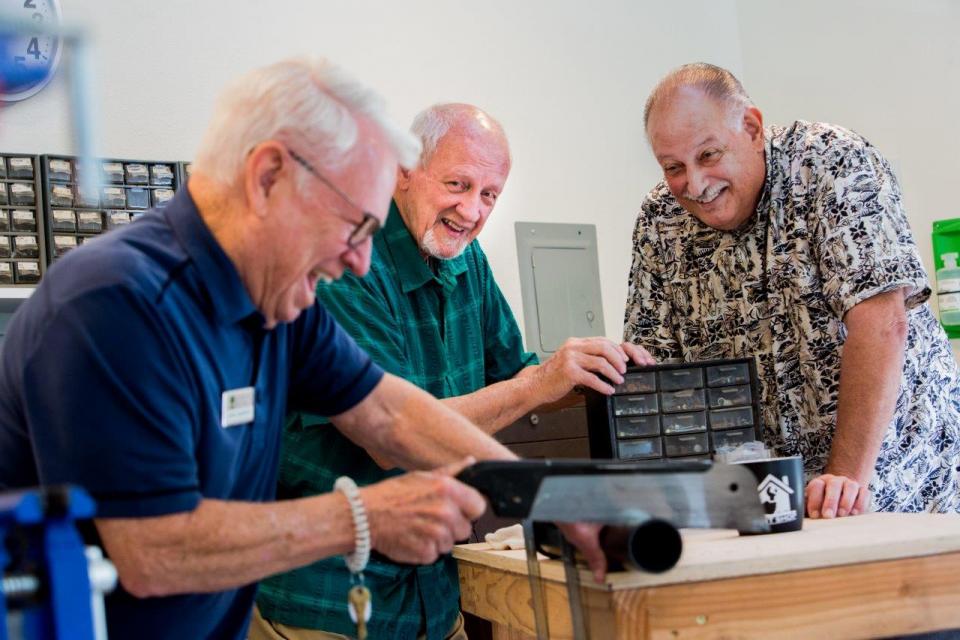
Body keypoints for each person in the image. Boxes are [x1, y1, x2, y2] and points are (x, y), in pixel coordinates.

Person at [0, 58, 594, 640]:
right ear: (267, 178)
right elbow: (152, 549)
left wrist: (546, 495)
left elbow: (389, 413)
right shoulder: (117, 305)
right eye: (354, 226)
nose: (360, 261)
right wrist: (361, 517)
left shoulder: (275, 299)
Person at [254, 103, 652, 640]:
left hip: (433, 593)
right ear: (402, 171)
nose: (471, 210)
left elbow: (517, 375)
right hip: (330, 599)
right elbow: (392, 436)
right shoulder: (344, 263)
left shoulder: (465, 257)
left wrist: (591, 371)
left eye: (489, 195)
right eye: (457, 184)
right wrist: (538, 388)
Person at [624, 62, 960, 522]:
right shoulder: (659, 220)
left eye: (708, 156)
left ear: (752, 128)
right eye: (673, 167)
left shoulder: (832, 163)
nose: (695, 185)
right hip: (767, 499)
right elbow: (657, 374)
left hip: (900, 476)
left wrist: (845, 478)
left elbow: (883, 324)